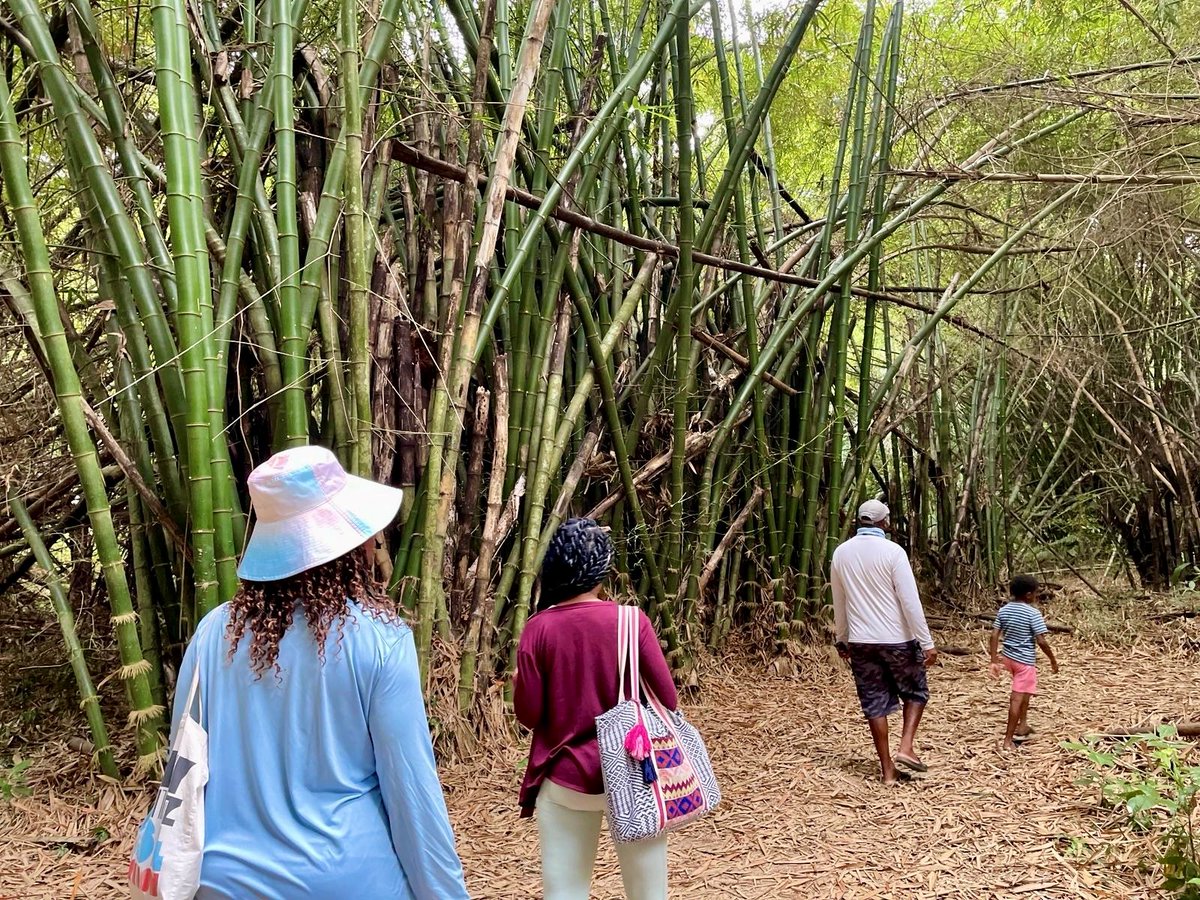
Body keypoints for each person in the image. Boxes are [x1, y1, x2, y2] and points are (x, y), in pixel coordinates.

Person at [161, 446, 469, 899]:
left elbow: (184, 763)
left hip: (224, 883)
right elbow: (412, 795)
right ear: (348, 544)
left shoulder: (213, 634)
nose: (373, 543)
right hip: (347, 880)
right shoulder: (382, 642)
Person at [513, 518, 678, 900]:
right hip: (634, 773)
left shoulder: (538, 628)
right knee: (649, 895)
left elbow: (529, 716)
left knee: (565, 893)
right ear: (601, 571)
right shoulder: (631, 622)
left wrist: (519, 684)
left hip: (565, 778)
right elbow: (668, 700)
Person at [831, 499, 938, 784]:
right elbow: (910, 601)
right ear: (883, 522)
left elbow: (839, 600)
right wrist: (926, 642)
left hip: (861, 642)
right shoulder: (893, 552)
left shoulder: (841, 553)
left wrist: (842, 638)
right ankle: (906, 747)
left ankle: (888, 771)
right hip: (897, 639)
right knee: (915, 692)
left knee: (874, 703)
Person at [989, 574, 1059, 752]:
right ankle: (1008, 741)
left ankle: (1023, 724)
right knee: (1016, 699)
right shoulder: (1033, 613)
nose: (1036, 596)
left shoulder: (1004, 610)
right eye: (1035, 593)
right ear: (1028, 594)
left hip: (1008, 658)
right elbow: (1041, 641)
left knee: (1025, 691)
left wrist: (994, 660)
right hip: (1024, 662)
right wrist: (1052, 659)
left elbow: (994, 635)